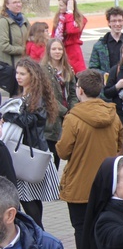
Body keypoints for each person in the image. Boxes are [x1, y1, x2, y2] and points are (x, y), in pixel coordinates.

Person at [57, 70, 123, 249]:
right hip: (108, 183)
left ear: (80, 90)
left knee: (81, 229)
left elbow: (64, 151)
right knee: (105, 227)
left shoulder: (73, 118)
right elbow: (120, 147)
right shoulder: (113, 115)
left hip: (80, 185)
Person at [1, 57, 60, 229]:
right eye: (17, 73)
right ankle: (38, 234)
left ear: (32, 76)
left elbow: (30, 121)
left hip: (30, 156)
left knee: (30, 203)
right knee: (31, 201)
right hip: (25, 155)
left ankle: (38, 236)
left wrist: (7, 116)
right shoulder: (24, 95)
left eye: (22, 74)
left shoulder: (36, 97)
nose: (18, 77)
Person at [40, 38, 78, 169]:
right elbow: (46, 97)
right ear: (49, 51)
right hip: (51, 119)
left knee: (70, 153)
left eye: (60, 49)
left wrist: (72, 109)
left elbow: (73, 92)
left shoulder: (67, 69)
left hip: (68, 116)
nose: (57, 52)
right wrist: (65, 111)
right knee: (52, 155)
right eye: (54, 49)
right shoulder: (43, 70)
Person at [0, 0, 29, 97]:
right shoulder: (4, 22)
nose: (18, 4)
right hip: (11, 68)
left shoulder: (24, 19)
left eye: (19, 2)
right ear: (7, 5)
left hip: (24, 65)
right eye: (14, 2)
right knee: (15, 96)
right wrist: (24, 50)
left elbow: (30, 37)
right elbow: (4, 46)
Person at [52, 0, 87, 73]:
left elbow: (71, 30)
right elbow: (53, 35)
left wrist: (69, 13)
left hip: (73, 53)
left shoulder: (80, 19)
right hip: (60, 50)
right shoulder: (59, 17)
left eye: (61, 6)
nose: (59, 8)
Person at [89, 6, 123, 73]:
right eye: (114, 21)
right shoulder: (99, 45)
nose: (117, 24)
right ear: (109, 22)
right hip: (106, 82)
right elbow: (93, 68)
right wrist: (106, 76)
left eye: (120, 20)